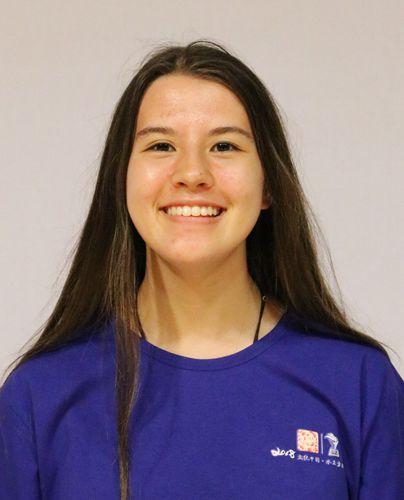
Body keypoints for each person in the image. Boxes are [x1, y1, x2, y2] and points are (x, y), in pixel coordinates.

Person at [0, 39, 403, 500]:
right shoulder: (38, 396)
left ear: (268, 184)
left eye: (224, 145)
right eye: (161, 145)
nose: (192, 173)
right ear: (122, 179)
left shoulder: (360, 386)